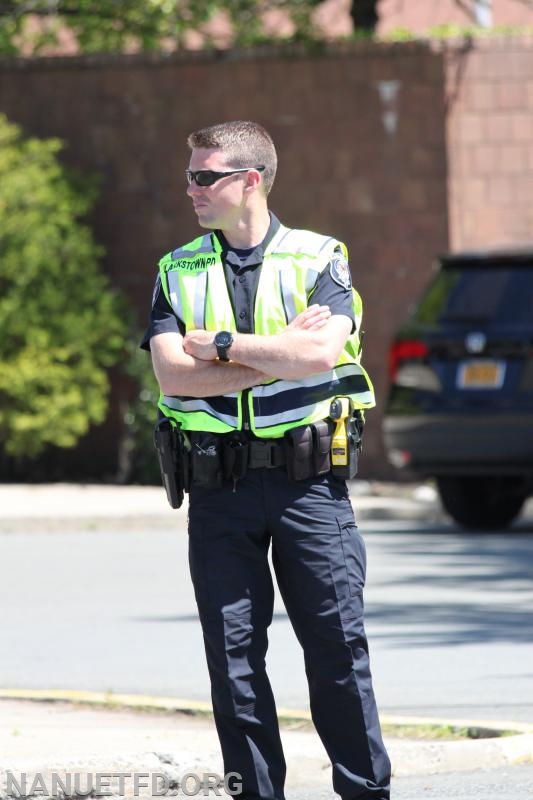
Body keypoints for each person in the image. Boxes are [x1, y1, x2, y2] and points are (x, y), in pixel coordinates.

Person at [141, 120, 391, 800]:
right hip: (217, 491)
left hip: (308, 488)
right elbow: (173, 380)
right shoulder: (177, 269)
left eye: (204, 176)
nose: (189, 188)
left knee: (337, 652)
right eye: (190, 174)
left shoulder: (317, 258)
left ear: (249, 180)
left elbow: (318, 355)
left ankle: (365, 792)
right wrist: (269, 355)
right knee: (233, 664)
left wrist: (219, 346)